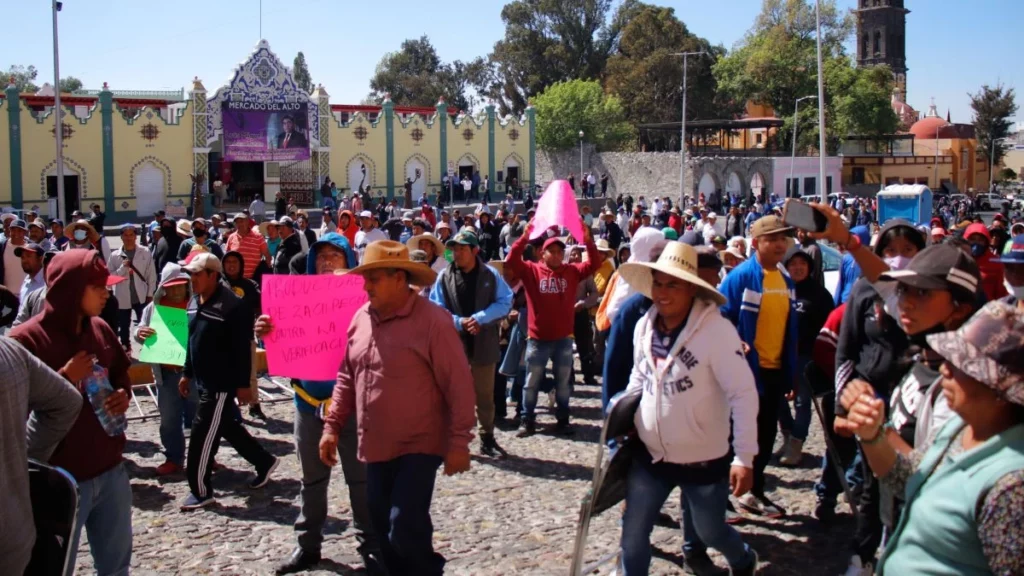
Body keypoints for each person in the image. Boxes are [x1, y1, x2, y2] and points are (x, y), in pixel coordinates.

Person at [320, 240, 475, 575]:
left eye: (374, 278)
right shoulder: (360, 317)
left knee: (404, 524)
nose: (366, 285)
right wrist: (332, 426)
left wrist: (460, 441)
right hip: (376, 444)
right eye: (366, 277)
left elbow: (459, 384)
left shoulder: (434, 321)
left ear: (399, 278)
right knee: (382, 529)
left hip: (420, 444)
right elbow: (347, 375)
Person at [841, 300, 1024, 576]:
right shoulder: (962, 429)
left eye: (964, 365)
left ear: (1000, 390)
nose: (945, 370)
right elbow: (909, 478)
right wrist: (873, 434)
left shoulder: (1011, 488)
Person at [616, 242, 760, 576]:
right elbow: (639, 375)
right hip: (650, 456)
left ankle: (741, 558)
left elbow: (743, 393)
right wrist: (623, 412)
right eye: (658, 283)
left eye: (673, 284)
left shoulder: (717, 331)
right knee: (633, 533)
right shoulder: (643, 326)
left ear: (692, 289)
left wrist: (744, 456)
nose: (663, 293)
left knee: (710, 530)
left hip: (703, 458)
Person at [253, 234, 383, 574]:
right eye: (321, 255)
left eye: (334, 255)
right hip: (308, 405)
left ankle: (371, 547)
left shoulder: (368, 301)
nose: (327, 261)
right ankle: (307, 547)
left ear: (348, 260)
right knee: (311, 481)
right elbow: (275, 340)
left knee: (361, 481)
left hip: (354, 407)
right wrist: (264, 330)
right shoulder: (294, 300)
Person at [9, 250, 134, 576]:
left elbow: (121, 370)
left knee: (116, 567)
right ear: (71, 289)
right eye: (98, 287)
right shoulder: (25, 341)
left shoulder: (102, 329)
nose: (107, 293)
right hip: (58, 480)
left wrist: (123, 394)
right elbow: (12, 415)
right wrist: (63, 380)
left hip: (111, 472)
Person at [179, 253, 279, 510]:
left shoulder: (233, 306)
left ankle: (200, 491)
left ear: (213, 275)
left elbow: (242, 349)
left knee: (201, 435)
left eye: (197, 274)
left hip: (220, 385)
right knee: (225, 427)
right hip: (202, 380)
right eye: (190, 274)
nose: (192, 279)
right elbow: (192, 342)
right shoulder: (193, 301)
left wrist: (244, 384)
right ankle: (264, 461)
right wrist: (187, 373)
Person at [718, 215, 799, 517]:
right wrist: (733, 344)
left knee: (765, 435)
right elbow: (721, 316)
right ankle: (722, 496)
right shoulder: (741, 277)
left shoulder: (785, 279)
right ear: (756, 243)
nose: (780, 244)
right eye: (773, 239)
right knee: (733, 435)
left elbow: (789, 328)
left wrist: (791, 372)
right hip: (746, 372)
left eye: (783, 239)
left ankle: (754, 491)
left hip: (774, 371)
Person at [507, 220, 600, 436]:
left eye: (560, 251)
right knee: (531, 382)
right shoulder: (531, 271)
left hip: (563, 339)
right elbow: (512, 260)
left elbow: (594, 263)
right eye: (552, 251)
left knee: (563, 384)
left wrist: (587, 239)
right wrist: (524, 236)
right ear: (542, 253)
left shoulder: (572, 271)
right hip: (537, 339)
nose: (557, 255)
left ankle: (563, 419)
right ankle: (527, 419)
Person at [0, 335, 83, 576]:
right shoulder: (11, 348)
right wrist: (18, 462)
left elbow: (65, 402)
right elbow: (65, 401)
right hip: (15, 535)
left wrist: (22, 457)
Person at [429, 230, 513, 458]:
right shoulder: (444, 276)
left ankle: (487, 438)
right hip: (453, 345)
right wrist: (458, 322)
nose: (456, 253)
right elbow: (435, 307)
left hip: (484, 343)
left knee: (485, 396)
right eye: (454, 249)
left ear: (475, 251)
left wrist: (480, 319)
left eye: (462, 249)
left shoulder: (490, 275)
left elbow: (505, 301)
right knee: (451, 394)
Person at [134, 263, 198, 475]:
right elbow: (139, 329)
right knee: (169, 419)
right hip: (167, 374)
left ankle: (205, 456)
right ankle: (174, 458)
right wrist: (140, 333)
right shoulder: (153, 308)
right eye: (173, 287)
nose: (177, 291)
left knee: (199, 416)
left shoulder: (196, 305)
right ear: (164, 287)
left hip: (194, 373)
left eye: (181, 286)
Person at [777, 246, 835, 466]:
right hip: (779, 354)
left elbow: (828, 327)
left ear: (809, 267)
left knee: (802, 401)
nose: (798, 268)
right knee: (778, 400)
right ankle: (787, 433)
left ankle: (797, 443)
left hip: (806, 356)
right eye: (793, 264)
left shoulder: (819, 294)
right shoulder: (779, 289)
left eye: (802, 264)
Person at [107, 224, 158, 351]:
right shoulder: (114, 256)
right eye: (125, 235)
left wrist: (150, 294)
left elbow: (151, 274)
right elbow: (109, 278)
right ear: (121, 237)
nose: (129, 238)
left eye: (131, 235)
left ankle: (148, 347)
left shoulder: (145, 252)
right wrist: (122, 269)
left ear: (136, 236)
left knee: (146, 323)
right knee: (124, 326)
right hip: (122, 296)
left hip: (141, 295)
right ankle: (126, 347)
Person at [964, 223, 1008, 301]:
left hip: (988, 309)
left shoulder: (996, 263)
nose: (976, 243)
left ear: (986, 242)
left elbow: (1002, 293)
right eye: (972, 239)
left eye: (981, 240)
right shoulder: (958, 260)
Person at [226, 213, 272, 280]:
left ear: (247, 221)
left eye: (241, 221)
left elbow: (267, 256)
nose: (239, 224)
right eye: (237, 222)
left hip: (254, 279)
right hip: (235, 279)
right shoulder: (231, 237)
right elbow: (227, 257)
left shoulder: (258, 237)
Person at [1, 218, 29, 296]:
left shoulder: (31, 248)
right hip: (5, 296)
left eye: (20, 231)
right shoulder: (2, 246)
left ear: (25, 232)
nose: (16, 233)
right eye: (13, 230)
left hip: (26, 295)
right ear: (9, 230)